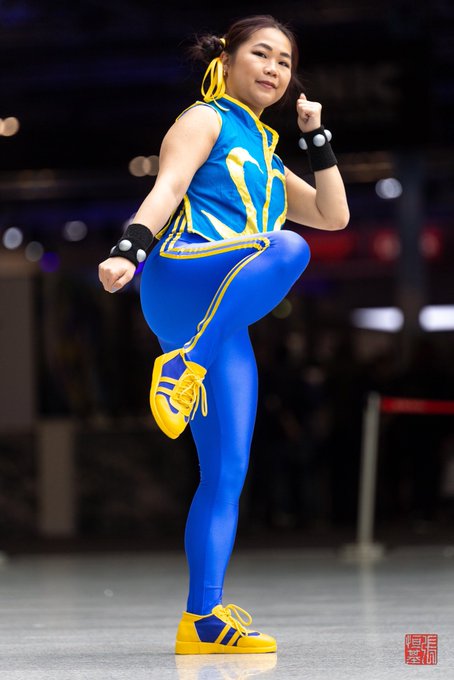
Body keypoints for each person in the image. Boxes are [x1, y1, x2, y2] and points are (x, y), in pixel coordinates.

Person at [98, 14, 349, 654]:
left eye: (285, 62)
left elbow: (334, 213)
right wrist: (129, 248)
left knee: (227, 472)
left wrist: (316, 137)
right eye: (261, 54)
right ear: (227, 59)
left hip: (219, 320)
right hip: (183, 273)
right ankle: (186, 364)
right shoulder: (206, 118)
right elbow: (168, 187)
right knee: (288, 248)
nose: (274, 69)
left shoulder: (269, 154)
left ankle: (202, 618)